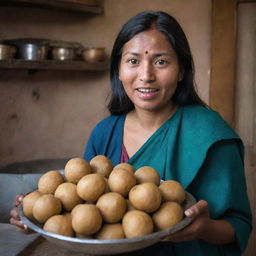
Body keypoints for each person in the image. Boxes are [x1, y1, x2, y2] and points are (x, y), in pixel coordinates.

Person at [10, 11, 252, 256]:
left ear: (181, 70)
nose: (145, 75)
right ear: (118, 69)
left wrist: (205, 228)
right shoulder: (104, 133)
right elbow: (82, 212)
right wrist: (36, 216)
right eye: (133, 61)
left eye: (161, 62)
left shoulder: (209, 135)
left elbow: (238, 225)